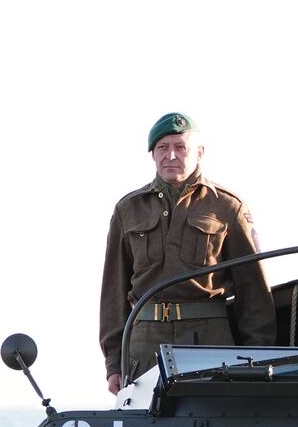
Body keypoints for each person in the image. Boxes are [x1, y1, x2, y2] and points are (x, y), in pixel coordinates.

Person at [100, 112, 276, 394]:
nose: (171, 155)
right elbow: (113, 292)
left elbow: (253, 291)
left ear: (199, 153)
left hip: (209, 341)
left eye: (180, 147)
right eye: (162, 148)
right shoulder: (128, 210)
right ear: (152, 154)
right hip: (145, 345)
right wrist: (114, 364)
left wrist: (256, 359)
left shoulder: (228, 207)